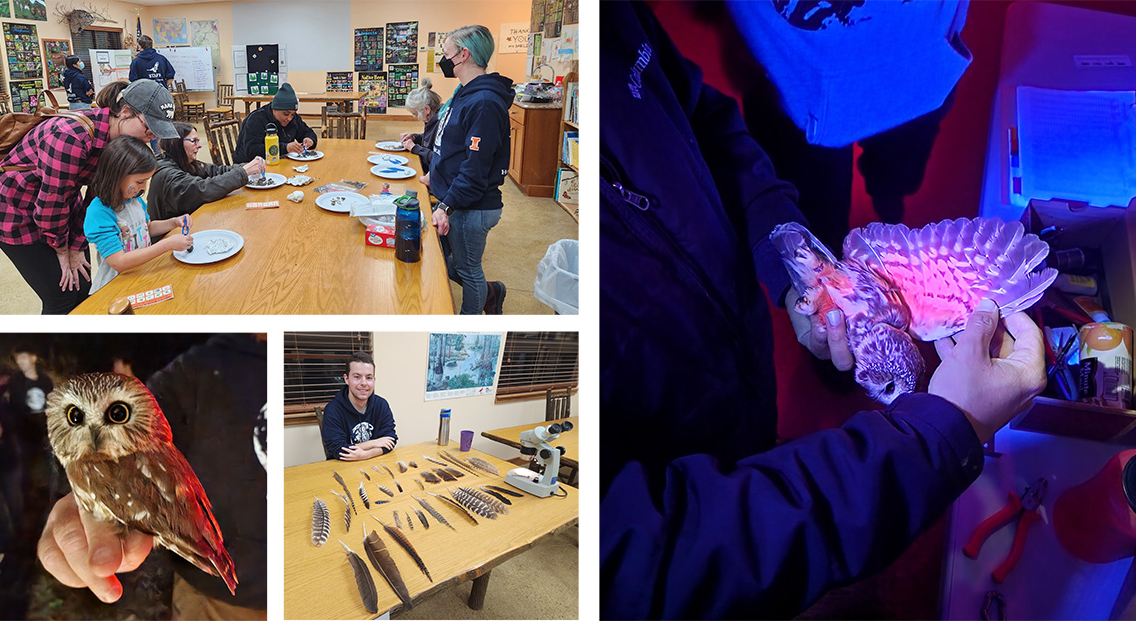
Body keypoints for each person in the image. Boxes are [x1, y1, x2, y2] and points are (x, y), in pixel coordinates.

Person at [599, 3, 1046, 618]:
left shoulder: (612, 22)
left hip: (749, 349)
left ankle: (885, 207)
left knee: (889, 176)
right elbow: (653, 559)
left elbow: (703, 122)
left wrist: (788, 258)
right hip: (687, 433)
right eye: (882, 384)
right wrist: (938, 435)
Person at [35, 334, 268, 617]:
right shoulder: (195, 372)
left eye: (117, 414)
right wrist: (83, 502)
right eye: (75, 418)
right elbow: (144, 463)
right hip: (218, 599)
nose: (94, 433)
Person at [724, 0, 969, 252]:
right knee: (815, 226)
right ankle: (873, 210)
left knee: (900, 169)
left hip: (921, 59)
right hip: (797, 73)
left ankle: (888, 196)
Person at [0, 79, 178, 314]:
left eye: (155, 134)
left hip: (61, 206)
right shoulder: (70, 136)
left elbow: (97, 196)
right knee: (61, 296)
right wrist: (62, 250)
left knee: (83, 284)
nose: (150, 138)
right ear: (125, 111)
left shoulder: (116, 141)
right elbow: (52, 201)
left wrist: (77, 245)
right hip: (15, 212)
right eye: (148, 129)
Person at [429, 25, 512, 315]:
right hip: (454, 198)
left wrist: (446, 206)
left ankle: (471, 319)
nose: (443, 60)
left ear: (463, 55)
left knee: (468, 269)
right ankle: (492, 292)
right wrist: (433, 175)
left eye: (446, 53)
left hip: (471, 206)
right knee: (448, 261)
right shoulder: (464, 93)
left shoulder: (484, 102)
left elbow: (475, 168)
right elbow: (451, 147)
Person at [83, 135, 194, 294]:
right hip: (115, 287)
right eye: (140, 182)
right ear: (117, 175)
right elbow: (119, 262)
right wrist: (167, 244)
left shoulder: (135, 200)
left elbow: (147, 228)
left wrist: (174, 222)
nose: (143, 188)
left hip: (141, 275)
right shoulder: (99, 212)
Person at [148, 122, 266, 220]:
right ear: (175, 143)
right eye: (194, 141)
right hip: (169, 237)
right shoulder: (167, 175)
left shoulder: (185, 162)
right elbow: (203, 189)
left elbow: (217, 171)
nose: (200, 145)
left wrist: (248, 167)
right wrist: (242, 173)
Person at [320, 352, 398, 462]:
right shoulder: (332, 410)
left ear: (374, 380)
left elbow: (390, 440)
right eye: (357, 377)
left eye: (369, 378)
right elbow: (338, 450)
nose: (364, 383)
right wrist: (374, 443)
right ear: (346, 379)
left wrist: (366, 455)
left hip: (375, 462)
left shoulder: (381, 405)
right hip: (342, 466)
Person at [233, 83, 317, 163]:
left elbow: (307, 132)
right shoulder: (256, 119)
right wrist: (285, 148)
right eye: (286, 114)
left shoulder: (293, 118)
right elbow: (253, 151)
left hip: (277, 162)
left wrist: (310, 139)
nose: (289, 118)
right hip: (247, 165)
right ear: (274, 109)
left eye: (293, 114)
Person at [400, 77, 442, 174]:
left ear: (427, 109)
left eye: (415, 114)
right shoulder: (431, 119)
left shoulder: (441, 124)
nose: (416, 117)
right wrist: (414, 137)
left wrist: (415, 148)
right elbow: (429, 139)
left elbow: (439, 159)